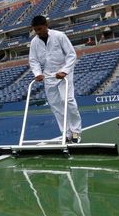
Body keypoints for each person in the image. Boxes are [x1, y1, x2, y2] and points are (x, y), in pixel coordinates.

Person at [28, 15, 82, 144]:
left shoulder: (60, 36)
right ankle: (66, 133)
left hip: (64, 73)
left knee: (68, 100)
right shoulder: (34, 42)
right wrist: (37, 73)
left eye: (40, 29)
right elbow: (33, 60)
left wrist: (64, 71)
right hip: (48, 76)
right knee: (56, 105)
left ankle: (76, 132)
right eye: (36, 30)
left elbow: (71, 55)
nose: (38, 32)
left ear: (46, 25)